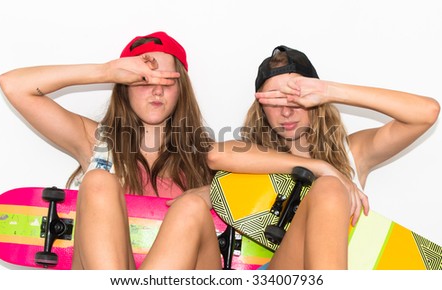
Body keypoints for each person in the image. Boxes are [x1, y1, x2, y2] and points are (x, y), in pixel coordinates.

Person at [141, 45, 440, 270]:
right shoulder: (251, 157)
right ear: (261, 109)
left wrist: (330, 89)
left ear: (318, 100)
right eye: (276, 100)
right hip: (265, 275)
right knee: (327, 184)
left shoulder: (353, 154)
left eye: (296, 98)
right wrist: (318, 167)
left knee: (329, 188)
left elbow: (426, 113)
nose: (287, 111)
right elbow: (215, 155)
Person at [0, 31, 216, 269]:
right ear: (125, 86)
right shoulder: (98, 144)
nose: (156, 90)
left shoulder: (210, 156)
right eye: (143, 79)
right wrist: (106, 71)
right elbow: (14, 85)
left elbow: (264, 176)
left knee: (191, 207)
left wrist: (218, 190)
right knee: (98, 181)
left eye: (166, 80)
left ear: (181, 88)